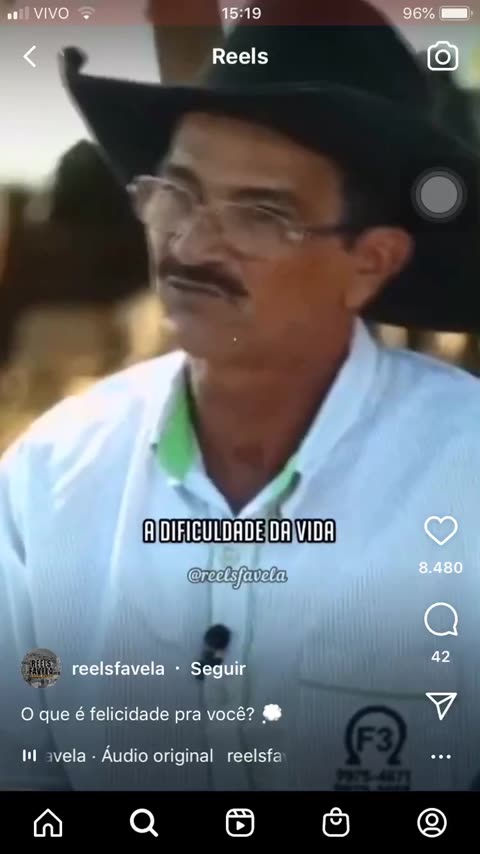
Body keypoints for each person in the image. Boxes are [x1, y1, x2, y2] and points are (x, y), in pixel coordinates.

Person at [1, 0, 480, 792]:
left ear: (372, 262)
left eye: (260, 214)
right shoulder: (47, 481)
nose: (189, 245)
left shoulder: (464, 475)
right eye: (177, 194)